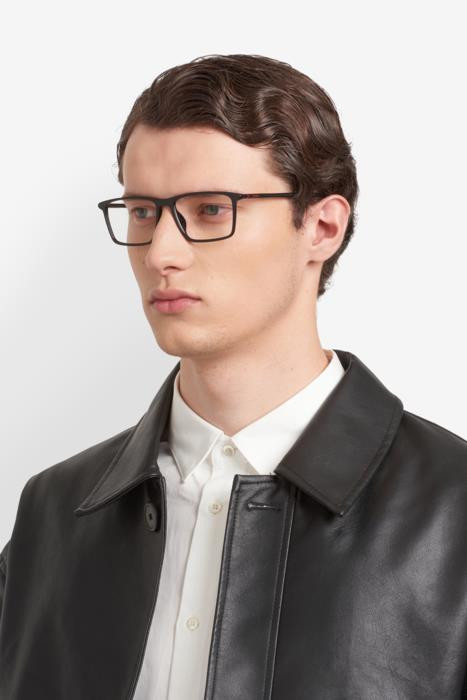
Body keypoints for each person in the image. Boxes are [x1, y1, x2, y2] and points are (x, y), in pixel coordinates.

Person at [1, 53, 466, 700]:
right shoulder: (54, 514)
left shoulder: (452, 511)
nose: (161, 253)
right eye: (143, 211)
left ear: (322, 227)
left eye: (211, 210)